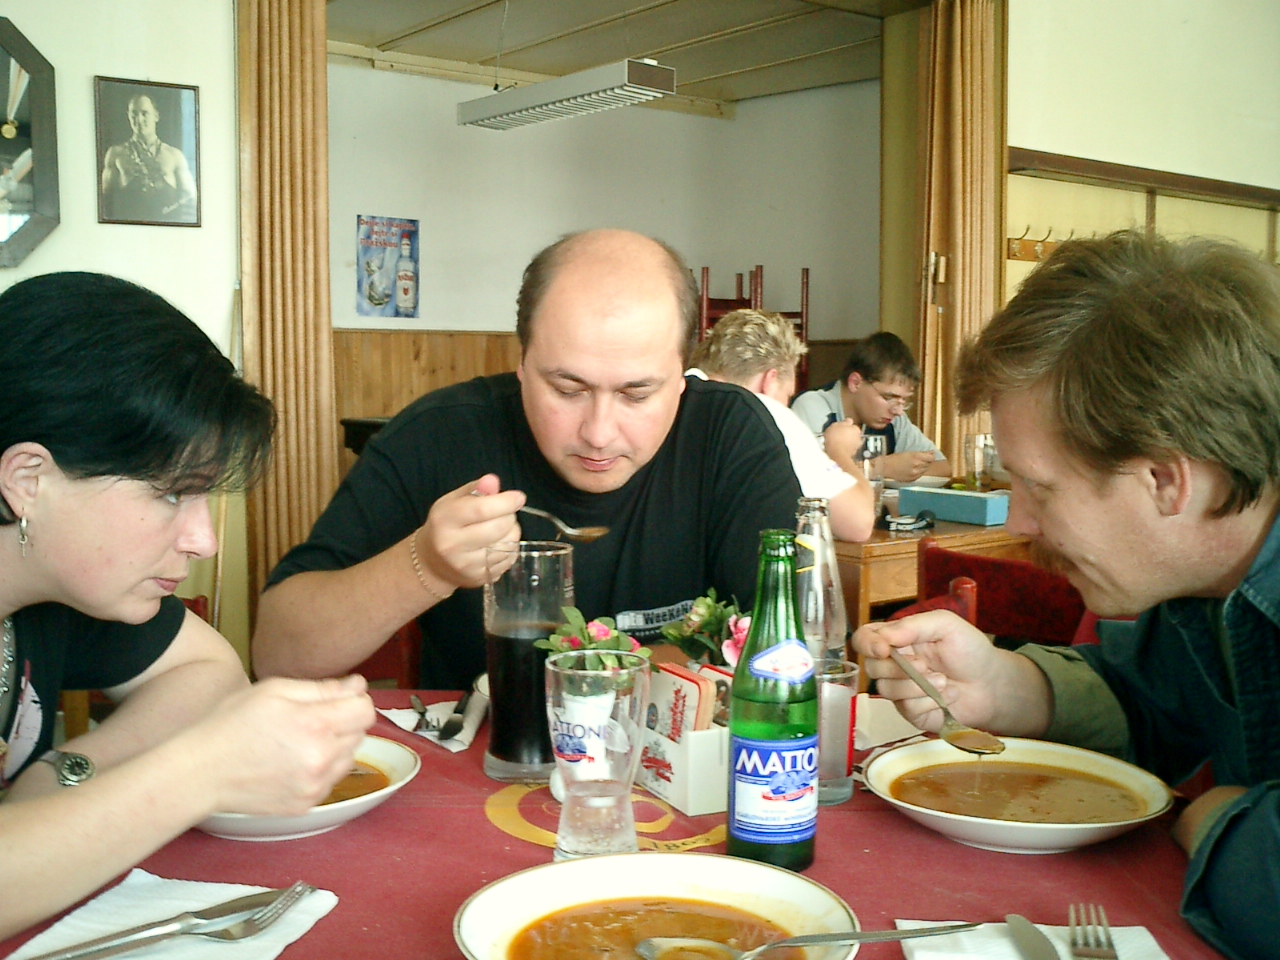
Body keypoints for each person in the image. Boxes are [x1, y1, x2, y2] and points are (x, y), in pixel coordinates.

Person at [853, 231, 1280, 960]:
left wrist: (1219, 824)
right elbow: (1152, 706)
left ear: (1166, 479)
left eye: (1039, 487)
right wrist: (1001, 685)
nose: (1020, 522)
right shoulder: (1198, 583)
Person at [252, 229, 803, 689]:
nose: (598, 433)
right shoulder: (440, 434)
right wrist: (425, 564)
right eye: (567, 389)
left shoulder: (730, 437)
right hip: (477, 767)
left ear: (682, 376)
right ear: (522, 363)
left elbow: (790, 651)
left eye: (636, 394)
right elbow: (277, 654)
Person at [0, 272, 375, 938]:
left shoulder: (58, 594)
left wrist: (64, 773)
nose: (203, 540)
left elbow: (209, 674)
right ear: (29, 479)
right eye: (172, 493)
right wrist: (199, 772)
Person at [689, 309, 874, 542]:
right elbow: (858, 524)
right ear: (770, 380)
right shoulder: (766, 412)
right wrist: (838, 450)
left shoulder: (673, 393)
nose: (786, 405)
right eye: (787, 396)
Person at [790, 331, 949, 483]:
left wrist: (904, 468)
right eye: (888, 397)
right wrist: (881, 467)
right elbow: (810, 475)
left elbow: (943, 467)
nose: (898, 411)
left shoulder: (893, 420)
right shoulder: (812, 406)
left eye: (904, 401)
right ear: (855, 383)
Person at [100, 93, 197, 223]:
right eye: (134, 114)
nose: (139, 119)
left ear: (156, 116)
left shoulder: (174, 156)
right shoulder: (116, 154)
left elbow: (190, 201)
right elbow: (104, 202)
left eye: (144, 113)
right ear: (128, 116)